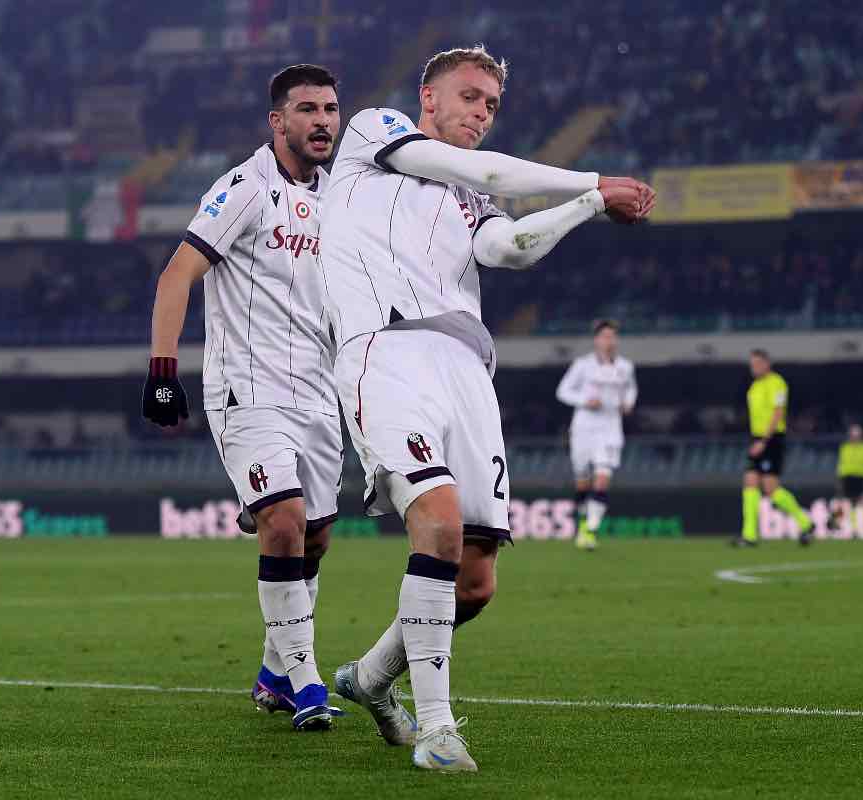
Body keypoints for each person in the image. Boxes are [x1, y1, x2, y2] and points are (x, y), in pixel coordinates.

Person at [319, 44, 655, 771]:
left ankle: (370, 679)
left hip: (467, 369)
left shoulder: (472, 198)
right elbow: (486, 167)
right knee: (435, 523)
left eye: (492, 105)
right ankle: (438, 731)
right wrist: (595, 179)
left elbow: (509, 248)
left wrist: (589, 207)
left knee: (475, 581)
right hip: (389, 350)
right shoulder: (376, 133)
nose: (480, 112)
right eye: (469, 97)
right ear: (427, 97)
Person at [141, 64, 345, 732]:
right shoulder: (244, 188)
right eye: (308, 109)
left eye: (331, 109)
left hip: (319, 394)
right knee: (283, 520)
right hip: (247, 390)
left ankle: (272, 673)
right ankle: (309, 684)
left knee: (312, 540)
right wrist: (162, 371)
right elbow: (177, 275)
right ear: (277, 121)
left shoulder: (340, 197)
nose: (322, 121)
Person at [555, 319, 637, 550]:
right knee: (583, 482)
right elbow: (562, 391)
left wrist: (628, 402)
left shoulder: (625, 367)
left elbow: (631, 388)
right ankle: (582, 526)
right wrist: (584, 400)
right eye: (605, 336)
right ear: (596, 340)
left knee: (602, 478)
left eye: (612, 336)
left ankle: (590, 530)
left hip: (611, 429)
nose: (609, 341)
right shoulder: (583, 365)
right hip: (583, 428)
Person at [737, 349, 813, 547]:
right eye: (751, 364)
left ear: (766, 363)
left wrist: (764, 441)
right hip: (757, 437)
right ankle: (749, 535)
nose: (753, 368)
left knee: (770, 489)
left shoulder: (777, 383)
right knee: (750, 482)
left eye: (756, 364)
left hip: (771, 439)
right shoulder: (754, 386)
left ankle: (805, 522)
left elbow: (778, 412)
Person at [832, 423, 863, 534]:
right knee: (842, 504)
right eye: (853, 435)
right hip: (847, 479)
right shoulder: (845, 448)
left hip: (861, 479)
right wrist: (839, 480)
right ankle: (838, 527)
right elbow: (841, 465)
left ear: (861, 436)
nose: (854, 438)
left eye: (857, 435)